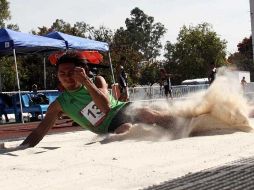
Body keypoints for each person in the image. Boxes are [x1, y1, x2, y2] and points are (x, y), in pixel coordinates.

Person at [16, 51, 171, 148]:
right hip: (111, 126)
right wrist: (21, 148)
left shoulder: (97, 81)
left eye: (71, 72)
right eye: (62, 74)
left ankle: (188, 123)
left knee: (147, 114)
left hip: (124, 110)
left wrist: (86, 81)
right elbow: (39, 131)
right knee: (124, 131)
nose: (67, 77)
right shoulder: (58, 105)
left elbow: (106, 107)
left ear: (82, 71)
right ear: (57, 76)